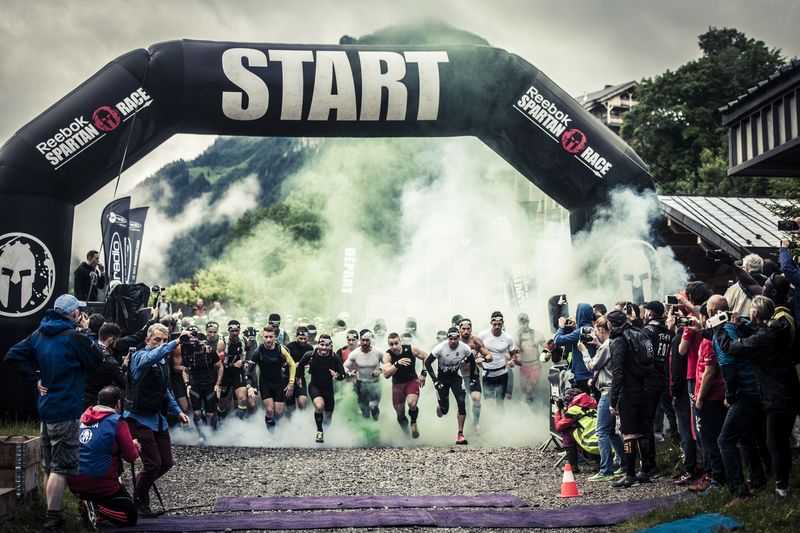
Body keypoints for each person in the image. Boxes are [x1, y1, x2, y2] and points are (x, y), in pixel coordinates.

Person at [5, 294, 104, 533]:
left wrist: (35, 377)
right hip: (67, 408)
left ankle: (50, 512)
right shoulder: (74, 337)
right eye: (78, 311)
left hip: (46, 408)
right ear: (72, 314)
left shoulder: (38, 334)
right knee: (61, 467)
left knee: (49, 464)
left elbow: (13, 355)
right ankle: (52, 521)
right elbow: (97, 359)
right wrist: (85, 333)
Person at [719, 295, 800, 498]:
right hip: (788, 390)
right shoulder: (777, 330)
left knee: (775, 442)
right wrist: (743, 327)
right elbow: (759, 335)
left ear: (754, 313)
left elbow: (731, 348)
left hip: (776, 396)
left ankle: (782, 488)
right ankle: (783, 481)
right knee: (779, 440)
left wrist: (718, 329)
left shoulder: (764, 338)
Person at [124, 323, 190, 517]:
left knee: (166, 462)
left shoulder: (162, 361)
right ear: (147, 341)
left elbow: (165, 389)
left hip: (157, 416)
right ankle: (139, 498)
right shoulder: (140, 357)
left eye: (164, 340)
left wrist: (177, 411)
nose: (161, 344)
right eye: (157, 340)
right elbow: (151, 357)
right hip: (138, 417)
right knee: (153, 463)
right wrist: (175, 343)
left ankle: (140, 484)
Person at [704, 295, 765, 503]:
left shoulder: (723, 334)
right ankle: (758, 481)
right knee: (746, 437)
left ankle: (739, 491)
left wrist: (730, 397)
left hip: (744, 393)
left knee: (725, 440)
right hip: (756, 389)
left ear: (712, 313)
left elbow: (729, 369)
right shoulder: (738, 324)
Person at [67, 386, 139, 528]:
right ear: (118, 403)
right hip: (101, 483)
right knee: (130, 516)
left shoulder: (82, 417)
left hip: (74, 481)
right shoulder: (117, 421)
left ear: (98, 401)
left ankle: (89, 503)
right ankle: (96, 507)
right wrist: (134, 445)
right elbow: (130, 457)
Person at [607, 309, 656, 488]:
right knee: (642, 431)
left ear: (612, 324)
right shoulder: (639, 333)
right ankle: (645, 470)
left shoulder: (618, 340)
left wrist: (613, 400)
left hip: (628, 392)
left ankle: (629, 474)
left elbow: (618, 373)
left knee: (628, 433)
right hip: (644, 387)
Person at [577, 317, 625, 481]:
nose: (595, 333)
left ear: (602, 329)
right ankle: (623, 465)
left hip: (607, 391)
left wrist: (584, 351)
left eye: (597, 330)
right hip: (614, 389)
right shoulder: (612, 343)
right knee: (611, 432)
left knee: (602, 431)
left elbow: (592, 366)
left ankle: (606, 470)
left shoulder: (606, 345)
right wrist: (597, 345)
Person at [425, 327, 478, 445]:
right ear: (447, 338)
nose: (453, 341)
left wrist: (473, 378)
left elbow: (472, 362)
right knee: (444, 410)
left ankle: (460, 434)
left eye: (455, 339)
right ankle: (440, 407)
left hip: (456, 378)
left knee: (461, 402)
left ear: (459, 338)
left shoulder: (464, 348)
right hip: (442, 380)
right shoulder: (440, 348)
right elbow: (427, 363)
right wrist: (435, 381)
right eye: (450, 339)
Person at [295, 334, 347, 443]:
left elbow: (343, 375)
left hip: (328, 389)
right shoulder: (310, 355)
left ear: (330, 346)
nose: (324, 347)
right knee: (319, 407)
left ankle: (325, 431)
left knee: (328, 416)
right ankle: (319, 431)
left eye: (326, 345)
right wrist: (298, 378)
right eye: (322, 344)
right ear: (318, 345)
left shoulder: (334, 357)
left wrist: (336, 375)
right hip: (315, 386)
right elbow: (300, 365)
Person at [246, 325, 296, 432]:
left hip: (278, 383)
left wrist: (291, 383)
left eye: (270, 337)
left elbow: (292, 364)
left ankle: (274, 425)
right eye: (266, 337)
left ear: (274, 337)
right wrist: (249, 386)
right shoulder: (258, 351)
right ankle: (270, 435)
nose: (268, 340)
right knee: (269, 410)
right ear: (262, 337)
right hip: (265, 383)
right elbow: (249, 370)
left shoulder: (280, 348)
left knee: (278, 412)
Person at [382, 332, 428, 437]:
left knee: (412, 404)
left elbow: (426, 356)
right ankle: (406, 434)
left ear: (400, 342)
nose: (394, 347)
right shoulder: (388, 356)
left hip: (411, 381)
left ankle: (413, 422)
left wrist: (423, 374)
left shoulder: (411, 349)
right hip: (397, 384)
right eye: (391, 344)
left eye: (396, 343)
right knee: (400, 414)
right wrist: (397, 364)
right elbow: (386, 374)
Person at [183, 330, 223, 438]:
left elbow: (220, 367)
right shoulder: (189, 353)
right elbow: (185, 370)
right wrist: (187, 384)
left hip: (209, 384)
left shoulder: (210, 352)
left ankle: (214, 429)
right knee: (196, 413)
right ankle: (201, 434)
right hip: (195, 385)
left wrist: (218, 384)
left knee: (209, 414)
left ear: (204, 342)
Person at [457, 318, 492, 434]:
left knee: (476, 399)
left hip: (473, 375)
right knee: (463, 403)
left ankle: (476, 423)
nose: (466, 331)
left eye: (468, 328)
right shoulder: (455, 341)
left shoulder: (476, 341)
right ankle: (465, 427)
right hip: (459, 377)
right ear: (459, 329)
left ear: (471, 329)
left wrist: (483, 359)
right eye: (463, 329)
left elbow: (489, 355)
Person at [554, 388, 600, 473]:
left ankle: (573, 466)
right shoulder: (591, 404)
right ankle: (598, 463)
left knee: (567, 432)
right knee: (582, 429)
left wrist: (558, 411)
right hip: (604, 444)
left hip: (593, 444)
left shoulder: (574, 410)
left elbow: (558, 427)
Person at [478, 311, 518, 409]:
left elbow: (513, 355)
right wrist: (477, 359)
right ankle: (492, 422)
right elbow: (475, 350)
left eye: (499, 324)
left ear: (503, 323)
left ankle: (501, 422)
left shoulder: (507, 338)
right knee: (489, 403)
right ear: (491, 323)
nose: (497, 326)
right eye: (494, 324)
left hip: (502, 374)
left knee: (500, 402)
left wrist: (513, 361)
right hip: (487, 374)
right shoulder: (482, 335)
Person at [553, 302, 596, 394]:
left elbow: (558, 340)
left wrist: (561, 327)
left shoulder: (580, 331)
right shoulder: (591, 329)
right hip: (592, 374)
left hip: (581, 376)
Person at [83, 322, 127, 409]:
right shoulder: (110, 361)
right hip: (100, 403)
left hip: (82, 399)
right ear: (111, 339)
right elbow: (123, 382)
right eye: (116, 340)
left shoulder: (86, 350)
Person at [217, 320, 255, 420]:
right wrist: (231, 365)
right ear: (228, 330)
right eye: (232, 330)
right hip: (225, 373)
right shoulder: (222, 342)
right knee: (222, 403)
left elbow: (247, 356)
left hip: (238, 372)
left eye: (237, 330)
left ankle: (239, 423)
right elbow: (218, 364)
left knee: (242, 399)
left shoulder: (244, 340)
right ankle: (221, 420)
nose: (235, 333)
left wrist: (244, 362)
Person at [344, 330, 384, 420]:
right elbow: (344, 366)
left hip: (375, 384)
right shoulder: (355, 353)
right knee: (365, 412)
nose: (365, 342)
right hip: (361, 384)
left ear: (370, 340)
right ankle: (369, 430)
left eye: (367, 340)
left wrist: (380, 370)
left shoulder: (378, 352)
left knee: (373, 406)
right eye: (363, 340)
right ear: (360, 340)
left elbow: (388, 364)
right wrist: (349, 373)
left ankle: (376, 422)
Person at [515, 313, 546, 407]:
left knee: (529, 389)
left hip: (535, 365)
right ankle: (528, 408)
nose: (523, 325)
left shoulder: (537, 334)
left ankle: (531, 409)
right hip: (524, 366)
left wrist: (547, 354)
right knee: (524, 389)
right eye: (521, 323)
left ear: (528, 322)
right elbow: (512, 350)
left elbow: (546, 347)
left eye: (525, 322)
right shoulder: (516, 336)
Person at [284, 326, 312, 415]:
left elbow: (312, 363)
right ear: (296, 336)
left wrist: (308, 365)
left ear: (308, 338)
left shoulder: (310, 348)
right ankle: (290, 424)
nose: (303, 341)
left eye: (305, 338)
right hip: (288, 378)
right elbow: (282, 363)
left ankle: (301, 424)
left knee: (302, 402)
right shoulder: (289, 347)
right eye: (300, 338)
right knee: (290, 407)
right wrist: (292, 364)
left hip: (300, 378)